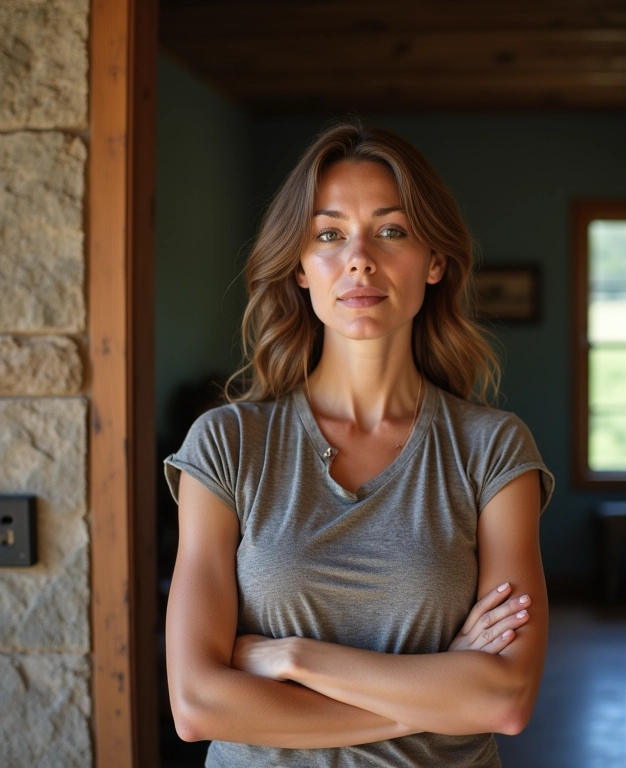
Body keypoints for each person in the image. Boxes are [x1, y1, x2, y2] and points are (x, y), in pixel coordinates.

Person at [163, 120, 555, 767]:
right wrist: (444, 686)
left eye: (391, 230)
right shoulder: (227, 443)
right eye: (329, 234)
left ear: (434, 261)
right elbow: (199, 705)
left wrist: (289, 657)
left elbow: (505, 700)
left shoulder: (492, 448)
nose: (360, 258)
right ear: (299, 266)